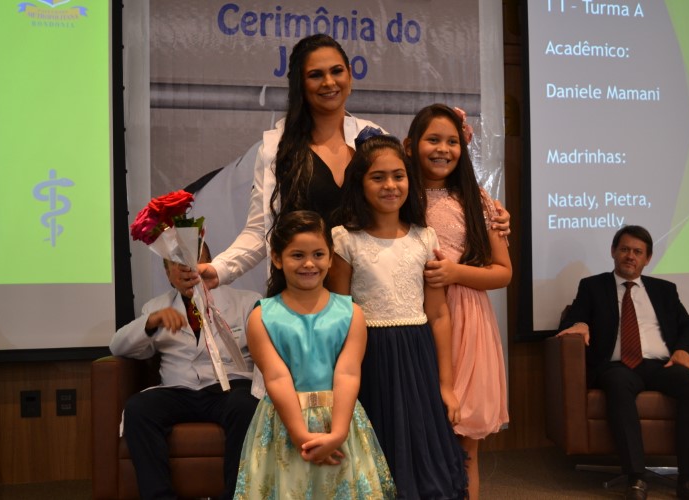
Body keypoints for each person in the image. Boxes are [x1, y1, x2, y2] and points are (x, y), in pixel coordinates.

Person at [196, 33, 511, 291]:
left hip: (370, 296)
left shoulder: (373, 137)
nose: (329, 82)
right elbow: (260, 231)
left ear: (349, 73)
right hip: (303, 296)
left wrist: (490, 214)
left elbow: (418, 197)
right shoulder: (277, 149)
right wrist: (218, 270)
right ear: (300, 84)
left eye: (336, 71)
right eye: (316, 75)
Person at [327, 130, 468, 499]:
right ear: (360, 183)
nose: (390, 186)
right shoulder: (345, 239)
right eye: (378, 177)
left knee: (422, 452)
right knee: (376, 452)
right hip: (368, 357)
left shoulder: (424, 238)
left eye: (398, 176)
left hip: (418, 359)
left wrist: (446, 385)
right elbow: (338, 316)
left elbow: (438, 314)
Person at [234, 210, 395, 499]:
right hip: (285, 426)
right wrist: (300, 436)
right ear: (277, 258)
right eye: (297, 255)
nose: (309, 263)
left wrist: (338, 434)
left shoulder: (351, 313)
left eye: (318, 254)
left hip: (340, 421)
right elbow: (276, 377)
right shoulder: (262, 317)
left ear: (331, 258)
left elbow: (348, 373)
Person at [404, 103, 512, 500]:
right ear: (411, 145)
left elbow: (503, 272)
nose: (443, 149)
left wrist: (455, 273)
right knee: (417, 437)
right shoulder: (399, 194)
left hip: (468, 320)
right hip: (414, 317)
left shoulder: (478, 200)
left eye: (452, 141)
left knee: (465, 445)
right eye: (433, 139)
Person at [557, 225, 689, 500]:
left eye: (638, 252)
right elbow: (572, 319)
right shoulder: (593, 286)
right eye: (625, 249)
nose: (630, 256)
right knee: (618, 383)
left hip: (659, 365)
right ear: (613, 252)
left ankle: (688, 479)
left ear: (647, 258)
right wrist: (580, 324)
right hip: (616, 365)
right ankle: (636, 477)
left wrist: (683, 350)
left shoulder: (664, 290)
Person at [109, 243, 261, 500]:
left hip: (229, 387)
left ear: (210, 264)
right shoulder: (155, 307)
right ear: (168, 273)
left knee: (246, 405)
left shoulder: (246, 301)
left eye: (193, 261)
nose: (186, 269)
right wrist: (151, 322)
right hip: (179, 390)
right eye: (176, 264)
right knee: (138, 408)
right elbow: (117, 346)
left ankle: (234, 496)